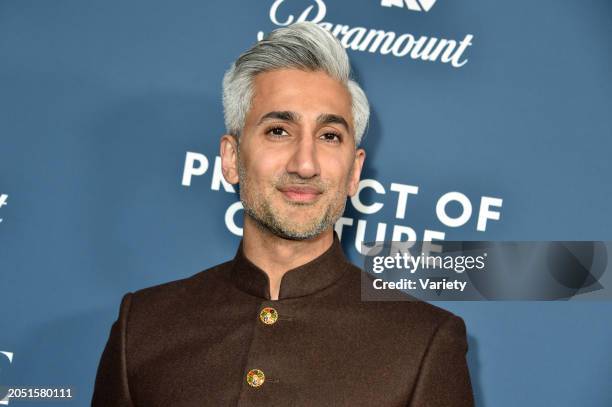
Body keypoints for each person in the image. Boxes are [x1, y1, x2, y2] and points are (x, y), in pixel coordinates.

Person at [92, 21, 474, 406]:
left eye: (329, 137)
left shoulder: (423, 342)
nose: (305, 164)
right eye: (278, 130)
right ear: (231, 158)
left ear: (354, 171)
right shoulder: (143, 326)